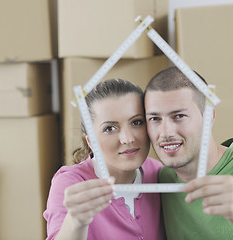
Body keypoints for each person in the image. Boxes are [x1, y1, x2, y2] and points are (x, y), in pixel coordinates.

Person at [43, 79, 165, 239]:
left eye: (136, 122)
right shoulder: (70, 183)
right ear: (90, 141)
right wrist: (75, 221)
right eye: (110, 128)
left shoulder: (157, 172)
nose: (127, 139)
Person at [144, 66, 233, 239]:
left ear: (210, 116)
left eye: (179, 116)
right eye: (155, 119)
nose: (166, 132)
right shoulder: (159, 180)